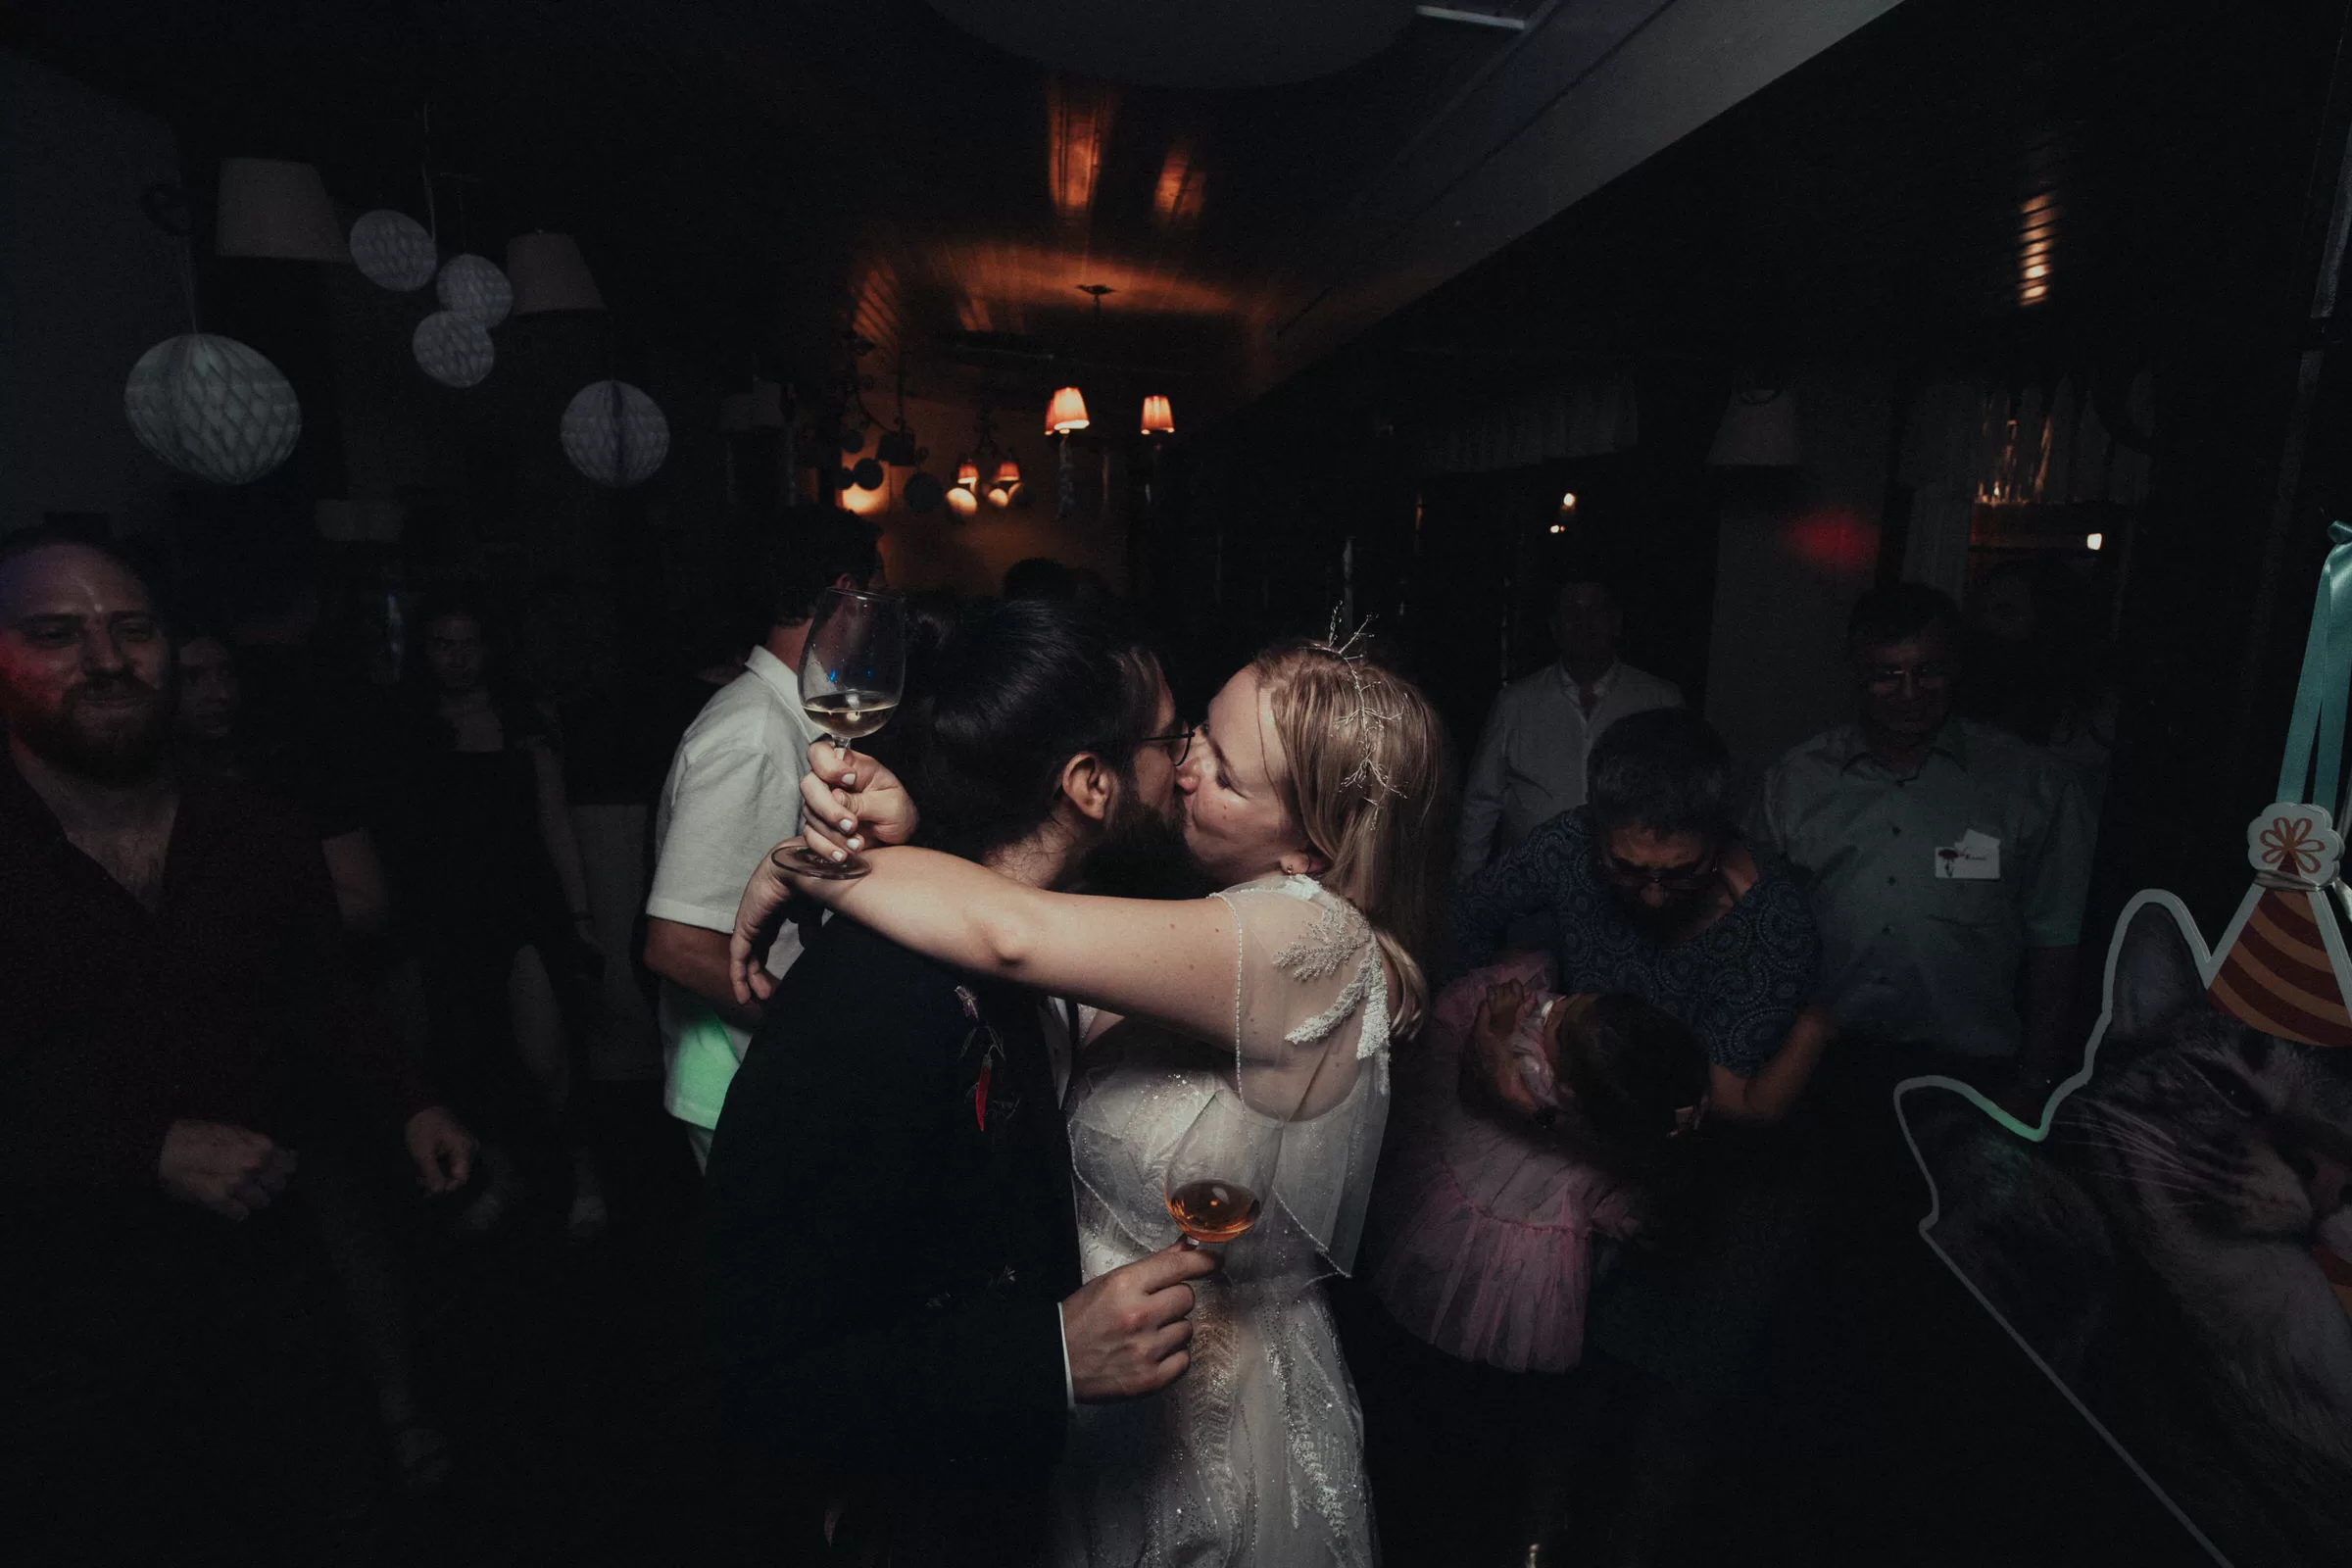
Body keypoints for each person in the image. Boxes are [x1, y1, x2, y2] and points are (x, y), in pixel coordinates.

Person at [737, 620, 1456, 1568]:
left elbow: (1012, 932)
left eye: (1229, 775)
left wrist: (810, 866)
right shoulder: (1190, 906)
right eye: (1194, 732)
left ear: (1313, 852)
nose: (1191, 766)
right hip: (1094, 1403)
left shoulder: (1309, 944)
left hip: (1209, 1417)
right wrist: (909, 840)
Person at [704, 599, 1218, 1565]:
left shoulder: (1020, 933)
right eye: (1167, 738)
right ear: (1089, 784)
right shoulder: (871, 1005)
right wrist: (1050, 1356)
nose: (1186, 764)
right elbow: (761, 1376)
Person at [0, 533, 474, 1558]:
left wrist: (410, 1099)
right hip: (51, 1317)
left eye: (132, 629)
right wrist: (137, 1149)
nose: (107, 658)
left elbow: (321, 991)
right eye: (56, 633)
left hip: (258, 1278)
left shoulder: (256, 829)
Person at [1450, 707, 1828, 1564]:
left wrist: (1534, 1103)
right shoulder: (1564, 847)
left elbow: (1705, 1111)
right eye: (1628, 870)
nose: (1653, 893)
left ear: (1718, 834)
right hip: (1599, 1154)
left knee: (1683, 1396)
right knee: (1569, 1370)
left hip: (1732, 1186)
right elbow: (1470, 915)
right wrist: (1481, 1021)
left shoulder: (1775, 931)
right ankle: (1535, 1545)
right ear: (1593, 833)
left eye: (1679, 873)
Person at [1750, 582, 2094, 1106]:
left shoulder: (2032, 785)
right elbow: (1751, 929)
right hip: (1820, 1068)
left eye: (1929, 671)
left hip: (1971, 1074)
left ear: (1956, 666)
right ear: (1855, 674)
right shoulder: (1796, 782)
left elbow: (2059, 941)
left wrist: (2040, 1079)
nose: (1910, 693)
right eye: (1886, 675)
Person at [643, 511, 882, 1169]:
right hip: (739, 1080)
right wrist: (819, 1028)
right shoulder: (751, 733)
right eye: (875, 599)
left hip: (769, 1076)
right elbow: (677, 943)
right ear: (844, 595)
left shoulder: (790, 716)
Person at [383, 593, 606, 1238]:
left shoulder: (522, 717)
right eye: (443, 644)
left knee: (549, 1056)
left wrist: (581, 915)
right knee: (469, 1049)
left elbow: (554, 820)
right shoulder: (411, 723)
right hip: (450, 909)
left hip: (526, 903)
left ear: (489, 647)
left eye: (469, 643)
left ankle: (584, 1173)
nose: (457, 659)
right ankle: (499, 1174)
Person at [1456, 575, 1682, 881]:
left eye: (1596, 611)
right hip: (1531, 891)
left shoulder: (1658, 701)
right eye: (1572, 612)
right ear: (1555, 628)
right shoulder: (1516, 703)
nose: (1584, 622)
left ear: (1616, 623)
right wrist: (1469, 889)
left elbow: (1683, 800)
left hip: (1629, 894)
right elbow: (1481, 802)